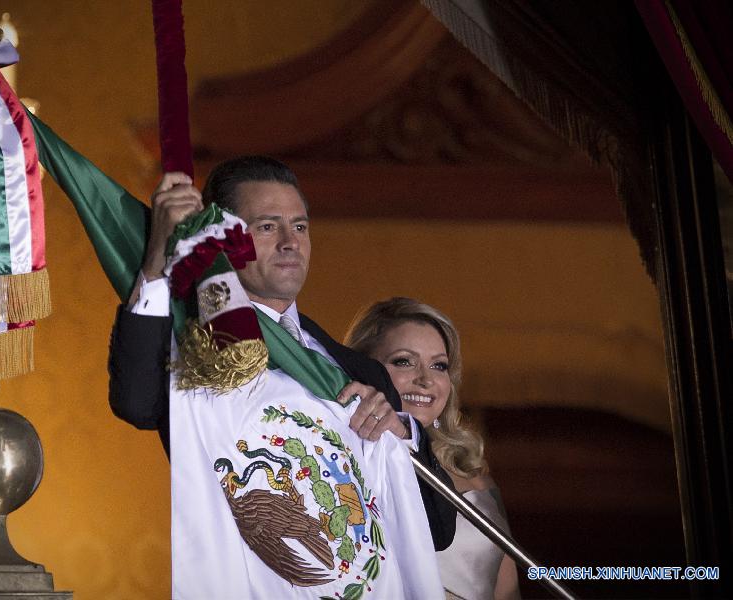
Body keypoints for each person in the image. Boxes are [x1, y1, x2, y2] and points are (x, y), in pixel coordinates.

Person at [107, 156, 456, 597]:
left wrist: (403, 432)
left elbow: (437, 532)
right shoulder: (196, 348)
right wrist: (157, 260)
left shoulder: (359, 370)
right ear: (224, 240)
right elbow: (136, 402)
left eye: (301, 226)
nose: (291, 242)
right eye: (268, 227)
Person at [345, 297, 521, 600]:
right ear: (362, 367)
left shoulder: (472, 470)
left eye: (439, 365)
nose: (426, 379)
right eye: (404, 361)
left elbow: (508, 590)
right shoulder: (342, 464)